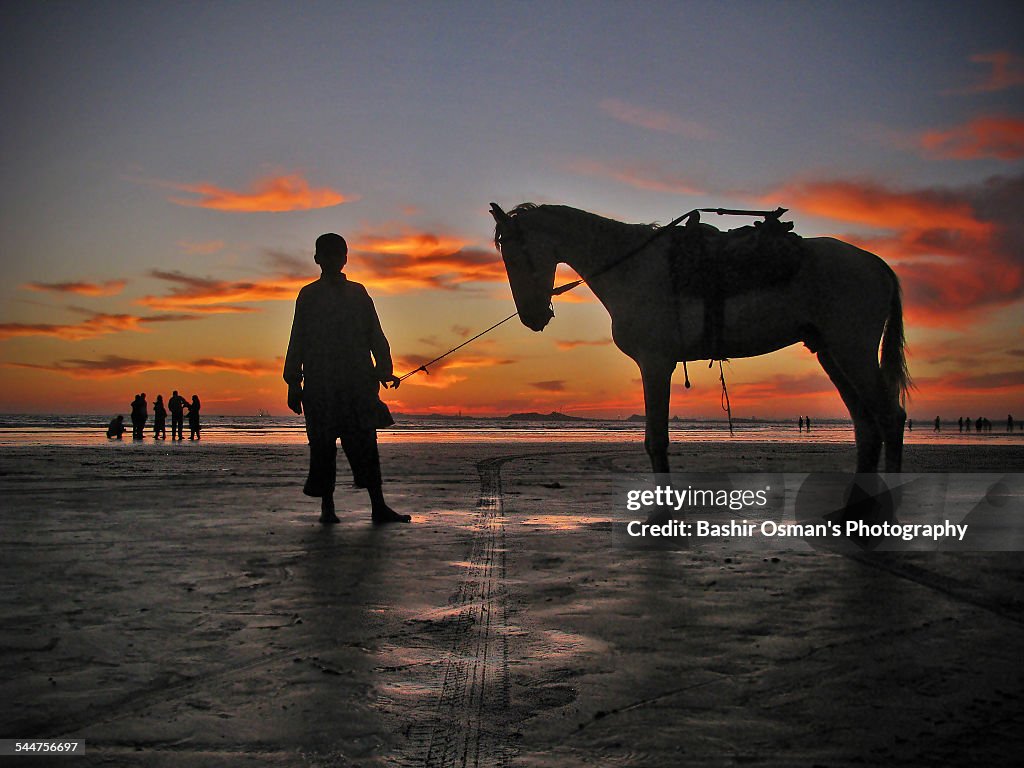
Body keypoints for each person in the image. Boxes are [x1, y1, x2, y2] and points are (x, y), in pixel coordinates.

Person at [284, 232, 409, 525]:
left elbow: (375, 334)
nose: (332, 260)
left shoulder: (358, 292)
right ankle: (327, 509)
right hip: (320, 387)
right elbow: (297, 339)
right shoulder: (308, 295)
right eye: (326, 255)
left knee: (365, 446)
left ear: (344, 258)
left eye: (337, 255)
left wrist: (385, 368)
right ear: (317, 259)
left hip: (357, 385)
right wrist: (293, 382)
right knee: (322, 448)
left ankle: (378, 507)